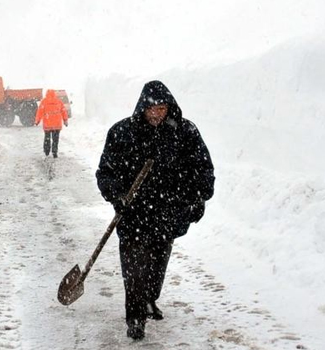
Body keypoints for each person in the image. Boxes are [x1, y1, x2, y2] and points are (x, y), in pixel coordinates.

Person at [95, 80, 215, 340]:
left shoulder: (184, 132)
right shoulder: (122, 132)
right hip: (134, 213)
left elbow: (203, 168)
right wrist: (117, 196)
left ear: (169, 108)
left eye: (162, 108)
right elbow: (106, 172)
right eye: (152, 109)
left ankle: (149, 298)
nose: (157, 113)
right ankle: (135, 318)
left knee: (157, 264)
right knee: (134, 267)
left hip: (166, 212)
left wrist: (198, 196)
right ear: (142, 108)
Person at [35, 89, 69, 158]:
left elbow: (40, 112)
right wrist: (65, 120)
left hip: (47, 124)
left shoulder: (44, 102)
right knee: (55, 139)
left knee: (47, 138)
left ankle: (47, 151)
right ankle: (54, 152)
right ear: (54, 94)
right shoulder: (59, 101)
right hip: (57, 125)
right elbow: (64, 111)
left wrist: (37, 121)